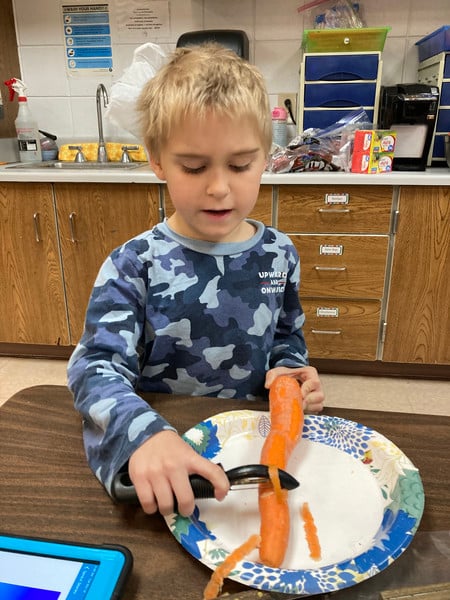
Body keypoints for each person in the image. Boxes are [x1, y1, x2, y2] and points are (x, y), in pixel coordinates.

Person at [67, 42, 324, 519]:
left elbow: (287, 337)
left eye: (241, 164)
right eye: (193, 166)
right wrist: (144, 435)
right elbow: (93, 369)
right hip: (163, 451)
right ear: (158, 161)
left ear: (266, 156)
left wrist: (290, 375)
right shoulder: (134, 264)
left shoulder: (279, 253)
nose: (219, 187)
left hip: (249, 454)